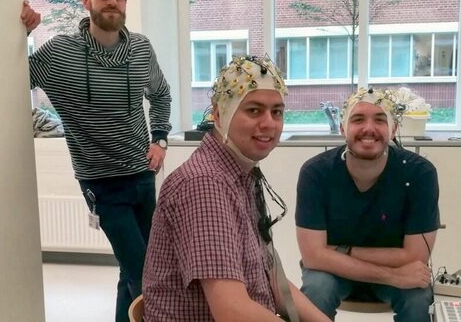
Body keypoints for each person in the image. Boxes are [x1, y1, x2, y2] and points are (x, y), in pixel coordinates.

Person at [20, 0, 172, 322]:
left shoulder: (140, 48)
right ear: (86, 0)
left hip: (142, 177)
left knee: (134, 269)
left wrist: (161, 138)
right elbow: (10, 76)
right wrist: (20, 34)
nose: (112, 0)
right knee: (146, 278)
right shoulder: (60, 54)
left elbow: (161, 93)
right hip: (101, 184)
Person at [142, 55, 331, 322]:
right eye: (254, 110)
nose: (269, 123)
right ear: (220, 114)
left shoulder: (242, 175)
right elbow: (232, 312)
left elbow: (272, 280)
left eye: (276, 112)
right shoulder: (205, 185)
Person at [295, 87, 440, 321]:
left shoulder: (419, 173)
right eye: (358, 119)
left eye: (380, 120)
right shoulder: (317, 172)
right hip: (336, 274)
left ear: (394, 129)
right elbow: (313, 257)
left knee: (417, 295)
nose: (369, 128)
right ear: (343, 128)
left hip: (383, 270)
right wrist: (392, 275)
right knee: (317, 288)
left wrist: (340, 251)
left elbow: (416, 256)